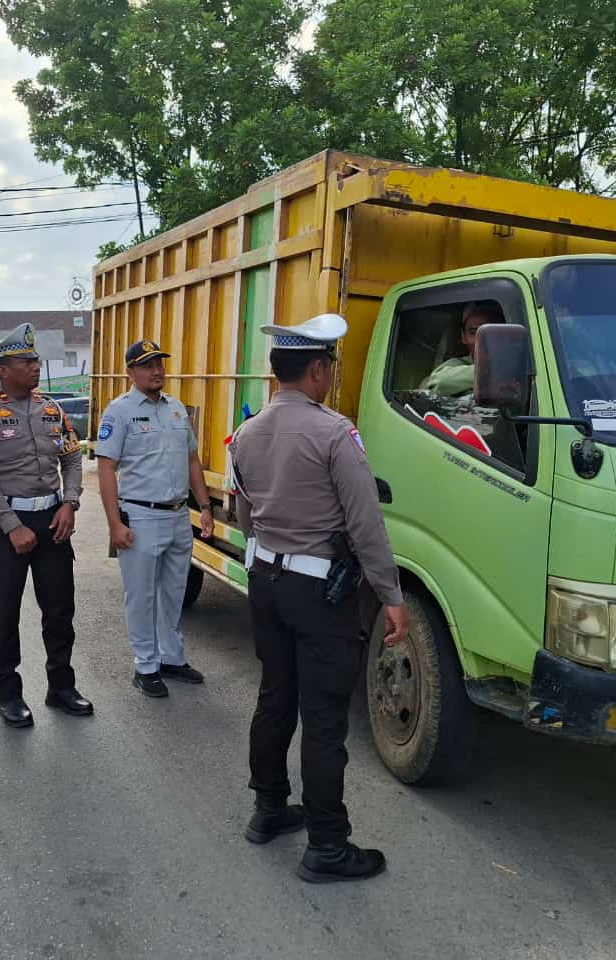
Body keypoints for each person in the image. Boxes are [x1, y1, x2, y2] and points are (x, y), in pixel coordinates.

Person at [229, 313, 409, 884]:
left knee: (274, 697)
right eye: (330, 365)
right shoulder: (335, 432)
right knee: (325, 717)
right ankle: (328, 845)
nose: (331, 375)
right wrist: (392, 596)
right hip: (317, 592)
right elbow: (365, 525)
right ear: (315, 369)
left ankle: (268, 810)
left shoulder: (248, 433)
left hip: (266, 582)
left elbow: (243, 513)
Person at [0, 322, 92, 726]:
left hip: (53, 520)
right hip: (5, 527)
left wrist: (69, 503)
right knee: (3, 614)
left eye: (35, 360)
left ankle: (61, 687)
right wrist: (11, 525)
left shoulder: (51, 409)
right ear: (3, 369)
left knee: (59, 610)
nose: (35, 367)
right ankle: (9, 693)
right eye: (26, 361)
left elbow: (71, 457)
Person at [95, 339, 214, 698]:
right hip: (141, 516)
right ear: (130, 372)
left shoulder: (177, 410)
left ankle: (171, 658)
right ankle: (146, 665)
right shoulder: (119, 412)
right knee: (141, 595)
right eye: (147, 365)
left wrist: (205, 508)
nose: (157, 370)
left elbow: (192, 460)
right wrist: (115, 523)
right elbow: (106, 468)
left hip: (179, 515)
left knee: (173, 592)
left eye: (159, 363)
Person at [419, 300, 505, 397]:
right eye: (473, 333)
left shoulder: (518, 363)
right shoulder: (456, 365)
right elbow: (437, 383)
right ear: (463, 337)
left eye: (491, 333)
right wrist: (494, 372)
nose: (481, 340)